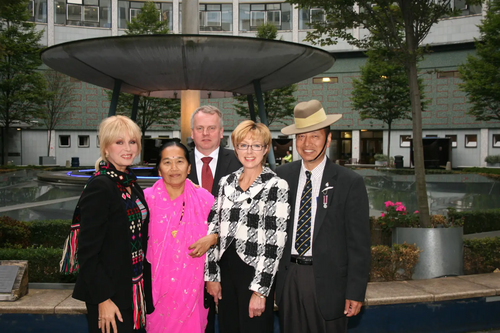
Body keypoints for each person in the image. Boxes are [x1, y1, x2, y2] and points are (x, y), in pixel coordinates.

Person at [275, 100, 371, 333]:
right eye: (301, 137)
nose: (307, 144)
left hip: (329, 284)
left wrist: (355, 292)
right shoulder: (280, 177)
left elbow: (359, 244)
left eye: (314, 136)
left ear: (328, 140)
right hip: (289, 278)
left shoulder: (349, 182)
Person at [204, 120, 290, 333]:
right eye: (243, 145)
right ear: (235, 148)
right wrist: (212, 276)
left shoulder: (275, 185)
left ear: (266, 149)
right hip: (226, 270)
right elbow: (213, 229)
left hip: (254, 272)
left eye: (256, 145)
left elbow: (274, 245)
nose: (249, 151)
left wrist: (260, 292)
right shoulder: (226, 182)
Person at [72, 115, 153, 333]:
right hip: (109, 297)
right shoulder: (101, 186)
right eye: (119, 142)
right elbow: (87, 253)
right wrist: (103, 300)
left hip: (132, 291)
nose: (128, 148)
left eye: (132, 142)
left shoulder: (130, 183)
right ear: (106, 148)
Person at [145, 140, 217, 333]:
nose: (174, 168)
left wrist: (213, 238)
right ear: (159, 169)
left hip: (194, 291)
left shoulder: (205, 199)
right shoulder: (145, 200)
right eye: (167, 162)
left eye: (179, 161)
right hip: (156, 291)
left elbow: (225, 230)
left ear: (189, 168)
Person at [187, 105, 242, 333]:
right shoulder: (177, 163)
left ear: (222, 132)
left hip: (230, 262)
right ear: (192, 133)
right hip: (187, 261)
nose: (206, 133)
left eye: (212, 128)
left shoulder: (241, 162)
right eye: (200, 128)